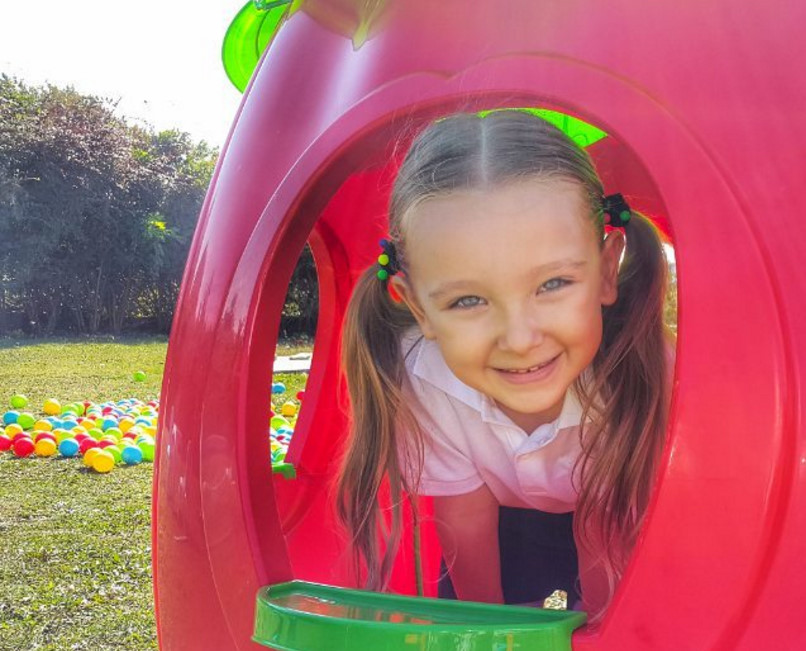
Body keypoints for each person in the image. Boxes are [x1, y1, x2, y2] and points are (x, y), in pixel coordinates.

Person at [336, 110, 673, 620]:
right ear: (419, 308)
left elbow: (606, 530)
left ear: (607, 270)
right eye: (468, 300)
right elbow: (467, 523)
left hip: (627, 514)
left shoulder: (645, 367)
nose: (519, 340)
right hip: (506, 522)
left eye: (553, 284)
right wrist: (487, 631)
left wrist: (602, 629)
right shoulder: (424, 378)